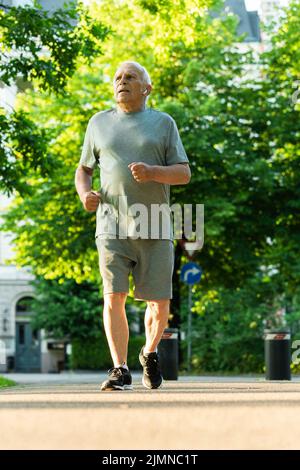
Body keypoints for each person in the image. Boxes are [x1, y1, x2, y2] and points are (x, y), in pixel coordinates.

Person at [75, 61, 191, 391]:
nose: (122, 82)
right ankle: (119, 368)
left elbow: (183, 173)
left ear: (146, 88)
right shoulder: (98, 123)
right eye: (118, 77)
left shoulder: (163, 123)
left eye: (131, 77)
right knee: (113, 296)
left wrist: (154, 172)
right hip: (111, 223)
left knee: (159, 303)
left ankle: (149, 353)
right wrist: (86, 194)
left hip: (155, 224)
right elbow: (83, 170)